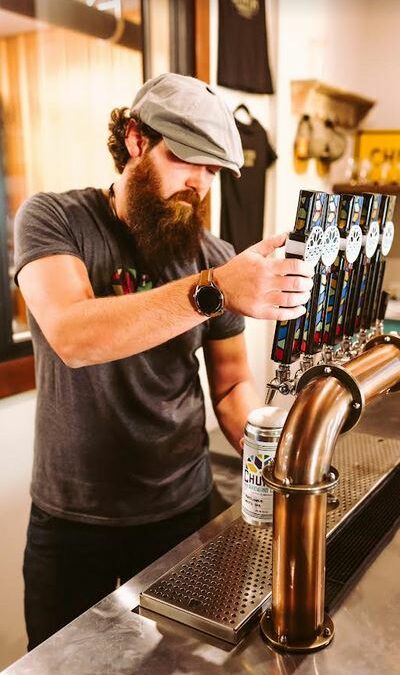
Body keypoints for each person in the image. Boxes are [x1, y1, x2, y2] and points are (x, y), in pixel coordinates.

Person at [14, 72, 314, 649]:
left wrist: (274, 457)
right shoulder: (55, 220)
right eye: (185, 160)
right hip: (73, 523)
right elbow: (73, 336)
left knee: (186, 662)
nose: (198, 184)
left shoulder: (210, 254)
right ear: (134, 139)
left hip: (183, 511)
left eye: (212, 171)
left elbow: (230, 387)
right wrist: (215, 290)